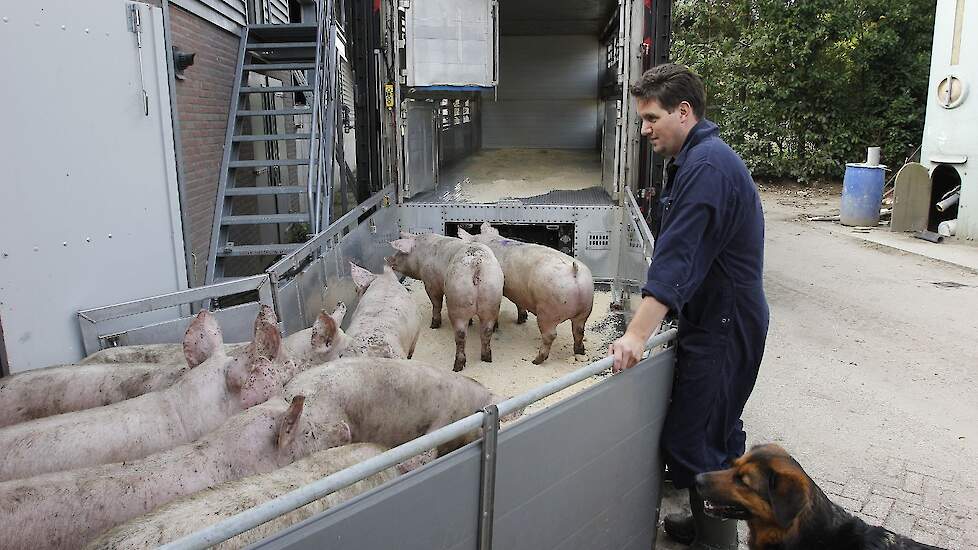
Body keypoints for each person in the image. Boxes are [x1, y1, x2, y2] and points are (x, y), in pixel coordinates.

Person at [608, 64, 769, 549]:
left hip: (725, 323)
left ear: (684, 112)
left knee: (701, 441)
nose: (644, 129)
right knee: (709, 427)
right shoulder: (695, 160)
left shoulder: (707, 168)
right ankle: (704, 524)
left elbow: (677, 258)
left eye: (652, 118)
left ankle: (718, 541)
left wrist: (636, 334)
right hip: (714, 317)